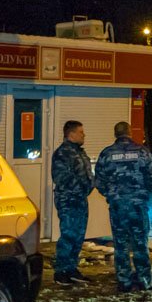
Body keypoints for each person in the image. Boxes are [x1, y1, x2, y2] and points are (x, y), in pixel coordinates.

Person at [94, 121, 152, 291]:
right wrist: (143, 192)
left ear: (115, 134)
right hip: (138, 205)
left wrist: (110, 195)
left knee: (121, 244)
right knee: (140, 243)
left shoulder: (107, 154)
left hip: (118, 206)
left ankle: (124, 280)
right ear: (130, 132)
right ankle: (145, 280)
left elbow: (99, 180)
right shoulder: (142, 152)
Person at [51, 120, 93, 286]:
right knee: (68, 235)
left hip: (80, 200)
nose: (84, 135)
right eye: (81, 132)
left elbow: (87, 175)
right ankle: (61, 271)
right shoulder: (63, 153)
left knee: (78, 235)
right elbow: (61, 178)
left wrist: (89, 186)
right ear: (72, 134)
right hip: (68, 200)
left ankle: (71, 268)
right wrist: (81, 186)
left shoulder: (80, 152)